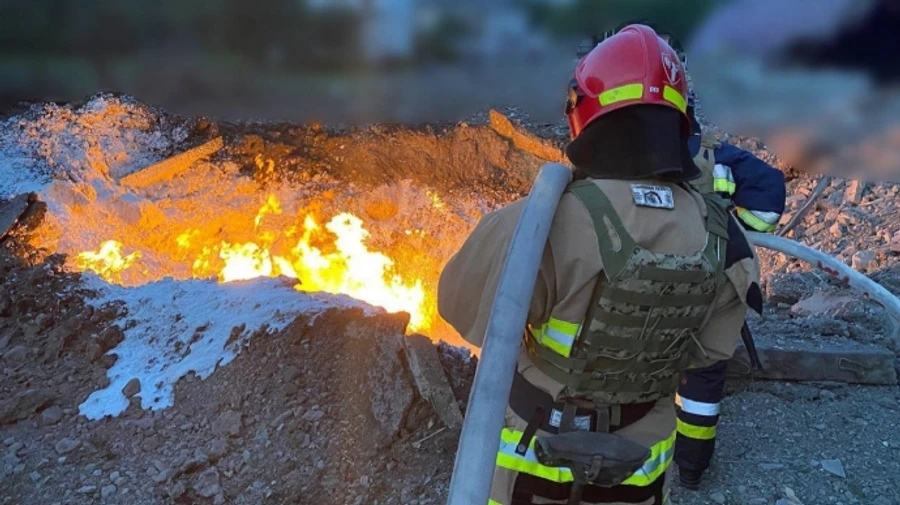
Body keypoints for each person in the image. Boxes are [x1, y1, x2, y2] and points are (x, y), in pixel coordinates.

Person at [438, 24, 763, 505]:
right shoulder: (723, 233)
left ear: (582, 111)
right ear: (680, 118)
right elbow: (711, 353)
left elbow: (460, 308)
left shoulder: (542, 220)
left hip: (534, 456)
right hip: (641, 461)